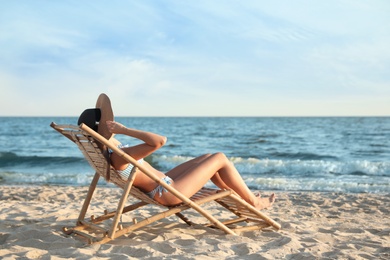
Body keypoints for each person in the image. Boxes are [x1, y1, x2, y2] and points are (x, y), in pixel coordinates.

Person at [79, 94, 275, 210]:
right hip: (168, 193)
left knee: (208, 159)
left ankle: (236, 195)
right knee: (220, 158)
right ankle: (254, 202)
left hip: (166, 182)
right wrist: (124, 130)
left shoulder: (110, 151)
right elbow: (159, 141)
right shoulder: (118, 156)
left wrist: (113, 134)